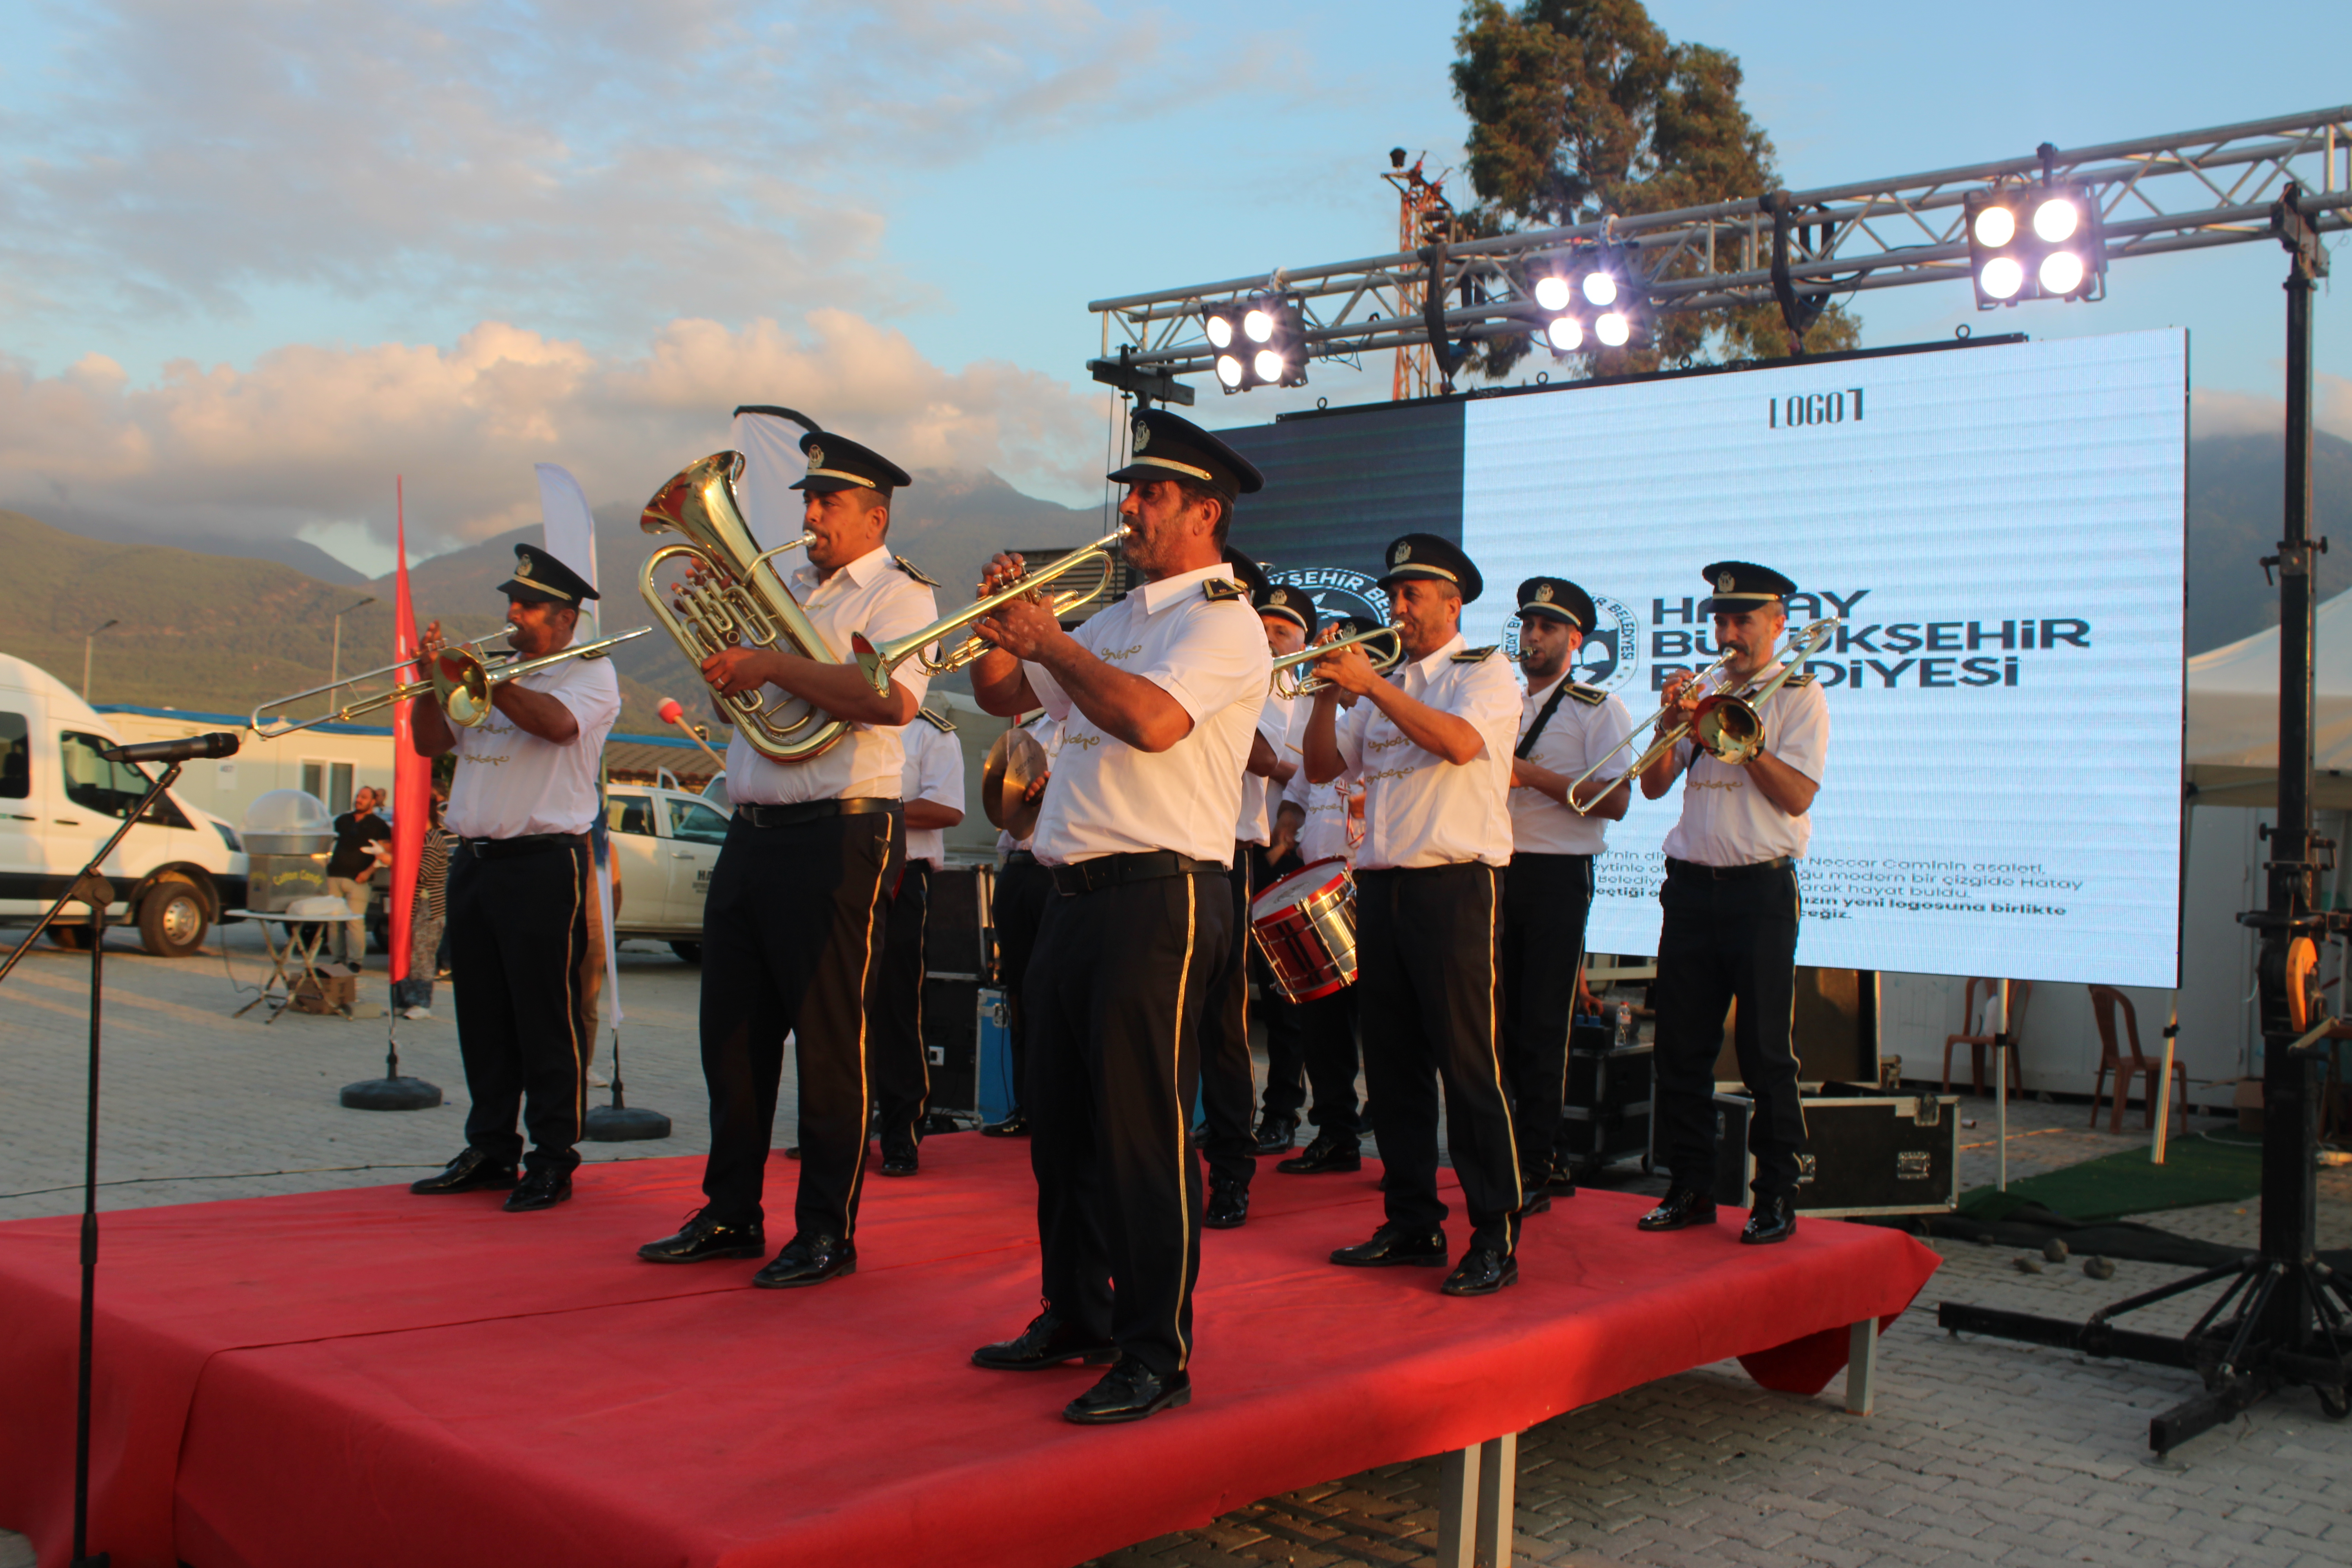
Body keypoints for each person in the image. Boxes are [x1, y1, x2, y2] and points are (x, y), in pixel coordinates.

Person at [966, 407, 1269, 1425]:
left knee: (1141, 1134)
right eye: (1131, 491)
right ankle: (1077, 1313)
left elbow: (1148, 720)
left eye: (1150, 495)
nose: (1128, 509)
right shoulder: (1121, 618)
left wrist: (1050, 634)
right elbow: (1011, 696)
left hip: (1164, 893)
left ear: (1204, 513)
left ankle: (1156, 1348)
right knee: (1061, 1129)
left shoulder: (1220, 618)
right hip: (1073, 889)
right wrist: (1002, 625)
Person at [637, 432, 937, 1287]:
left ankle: (825, 1230)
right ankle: (731, 1208)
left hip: (840, 830)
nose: (808, 516)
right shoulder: (792, 586)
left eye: (827, 502)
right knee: (731, 1033)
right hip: (756, 827)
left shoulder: (899, 595)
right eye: (807, 498)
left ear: (874, 516)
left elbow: (891, 698)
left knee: (830, 1037)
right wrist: (730, 664)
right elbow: (752, 708)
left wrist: (767, 658)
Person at [1302, 534, 1524, 1297]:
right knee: (1392, 1067)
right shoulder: (1383, 680)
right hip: (1386, 884)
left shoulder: (1485, 671)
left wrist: (1372, 686)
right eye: (1393, 593)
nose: (1397, 606)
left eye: (1413, 593)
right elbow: (1326, 768)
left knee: (1468, 1066)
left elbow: (1460, 744)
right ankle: (1412, 1218)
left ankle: (1495, 1230)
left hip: (1455, 883)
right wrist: (1332, 690)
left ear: (1453, 601)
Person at [407, 544, 622, 1212]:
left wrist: (489, 682)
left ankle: (554, 1156)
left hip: (542, 860)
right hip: (477, 858)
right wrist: (428, 681)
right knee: (484, 1016)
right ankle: (492, 1145)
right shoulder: (493, 675)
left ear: (564, 618)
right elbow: (429, 743)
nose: (512, 615)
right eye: (512, 603)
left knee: (546, 1016)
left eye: (527, 606)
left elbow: (555, 728)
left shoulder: (591, 674)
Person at [1635, 561, 1827, 1247]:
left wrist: (1742, 744)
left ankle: (1774, 1192)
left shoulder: (1799, 695)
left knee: (1765, 1050)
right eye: (1720, 620)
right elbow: (1655, 786)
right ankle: (1689, 1186)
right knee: (1681, 1049)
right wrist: (1671, 724)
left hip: (1759, 890)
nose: (1729, 633)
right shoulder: (1705, 691)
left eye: (1742, 620)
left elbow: (1797, 796)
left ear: (1778, 624)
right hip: (1690, 886)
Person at [1501, 578, 1634, 1210]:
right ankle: (1516, 1153)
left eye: (1547, 628)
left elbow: (1616, 801)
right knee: (1500, 1024)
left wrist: (1528, 775)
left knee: (1543, 1026)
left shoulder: (1596, 708)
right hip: (1498, 870)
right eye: (1528, 625)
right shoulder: (1500, 699)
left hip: (1557, 874)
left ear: (1575, 641)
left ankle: (1541, 1160)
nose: (1533, 637)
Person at [1188, 551, 1289, 1230]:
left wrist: (1200, 690)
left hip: (1226, 854)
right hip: (1165, 845)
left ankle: (1231, 1171)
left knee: (1221, 1028)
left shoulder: (1271, 677)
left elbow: (1265, 756)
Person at [1271, 615, 1369, 1176]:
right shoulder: (1322, 718)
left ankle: (1393, 1129)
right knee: (1324, 1024)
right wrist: (1287, 827)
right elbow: (1299, 788)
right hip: (1321, 892)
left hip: (1368, 886)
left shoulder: (1384, 717)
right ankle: (1336, 1133)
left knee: (1384, 1023)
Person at [871, 705, 967, 1175]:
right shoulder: (844, 722)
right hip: (845, 871)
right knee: (833, 1008)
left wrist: (871, 812)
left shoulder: (932, 734)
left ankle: (901, 1135)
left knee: (896, 1010)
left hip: (900, 877)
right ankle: (834, 1130)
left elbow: (948, 807)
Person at [1243, 580, 1313, 1161]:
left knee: (1283, 993)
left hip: (1282, 855)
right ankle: (1226, 1113)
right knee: (1221, 991)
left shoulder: (1319, 696)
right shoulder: (1239, 677)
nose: (1270, 636)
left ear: (1306, 640)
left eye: (1283, 630)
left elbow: (1326, 774)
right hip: (1226, 845)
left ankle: (1284, 1111)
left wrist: (1285, 767)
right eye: (1264, 626)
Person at [982, 713, 1056, 1139]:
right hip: (1017, 866)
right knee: (1019, 993)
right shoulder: (1032, 727)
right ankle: (1026, 1105)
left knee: (1053, 996)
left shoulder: (1093, 723)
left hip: (1055, 870)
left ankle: (1055, 1105)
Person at [390, 788, 453, 1020]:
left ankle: (422, 1003)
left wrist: (391, 861)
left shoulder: (434, 841)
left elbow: (419, 874)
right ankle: (405, 1000)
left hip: (429, 909)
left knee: (422, 955)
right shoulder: (415, 840)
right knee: (406, 952)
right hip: (413, 905)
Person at [325, 786, 391, 966]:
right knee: (333, 921)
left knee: (355, 922)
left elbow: (385, 854)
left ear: (373, 801)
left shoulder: (380, 825)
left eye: (364, 797)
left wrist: (368, 873)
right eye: (358, 796)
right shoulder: (342, 820)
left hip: (359, 879)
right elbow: (328, 843)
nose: (359, 800)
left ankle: (355, 961)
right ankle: (338, 959)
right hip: (335, 876)